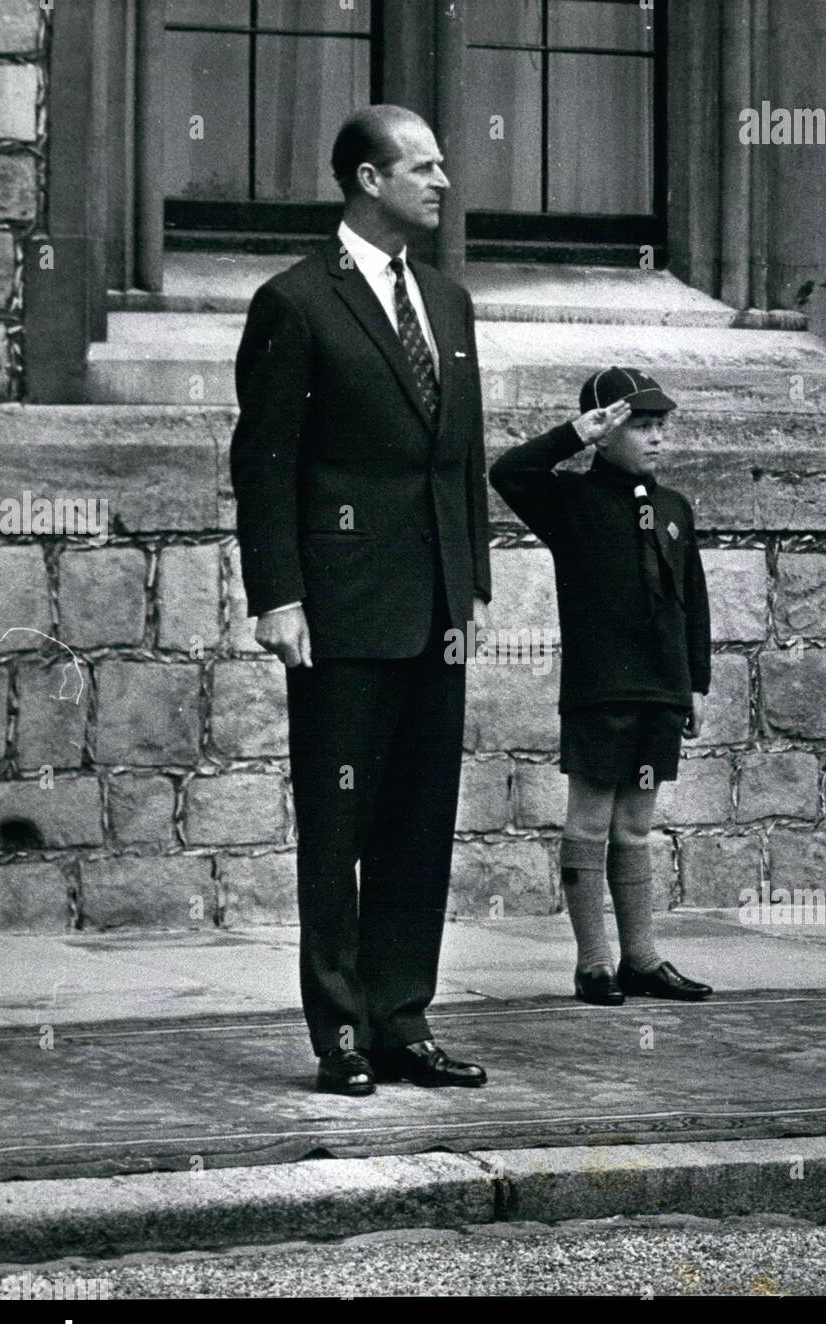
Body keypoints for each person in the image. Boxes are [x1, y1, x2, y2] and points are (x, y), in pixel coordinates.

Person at [229, 105, 492, 1095]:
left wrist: (470, 586)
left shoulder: (449, 302)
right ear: (367, 180)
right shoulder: (295, 304)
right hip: (339, 614)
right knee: (338, 829)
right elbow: (264, 463)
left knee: (419, 825)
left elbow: (458, 456)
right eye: (422, 168)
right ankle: (341, 1032)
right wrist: (279, 595)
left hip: (435, 612)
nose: (442, 183)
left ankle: (402, 1020)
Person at [490, 368, 714, 1005]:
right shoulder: (570, 502)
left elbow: (691, 599)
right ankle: (594, 964)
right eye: (641, 426)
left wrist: (693, 681)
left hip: (661, 694)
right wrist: (572, 435)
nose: (656, 438)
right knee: (589, 822)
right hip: (601, 692)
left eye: (660, 426)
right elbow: (507, 473)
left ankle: (640, 960)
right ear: (606, 432)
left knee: (635, 827)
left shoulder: (674, 509)